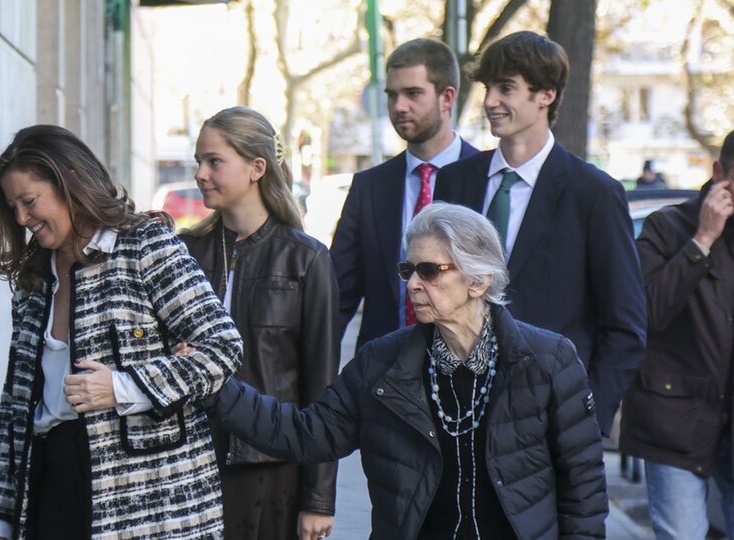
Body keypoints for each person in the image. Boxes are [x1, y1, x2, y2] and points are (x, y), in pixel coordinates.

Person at [207, 202, 608, 538]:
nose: (413, 284)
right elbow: (305, 434)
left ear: (479, 280)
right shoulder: (380, 364)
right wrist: (215, 386)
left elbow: (584, 489)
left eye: (430, 271)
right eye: (408, 270)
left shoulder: (548, 360)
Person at [0, 124, 243, 539]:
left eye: (29, 202)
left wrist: (121, 387)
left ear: (69, 183)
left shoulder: (144, 246)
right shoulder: (34, 280)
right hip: (48, 487)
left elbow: (222, 348)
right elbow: (16, 406)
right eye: (13, 208)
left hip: (149, 500)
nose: (23, 219)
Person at [433, 31, 647, 437]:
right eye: (488, 87)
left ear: (545, 95)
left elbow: (625, 325)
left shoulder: (594, 194)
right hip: (456, 414)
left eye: (506, 88)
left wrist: (586, 419)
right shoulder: (455, 183)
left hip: (550, 423)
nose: (491, 100)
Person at [179, 106, 340, 540]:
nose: (201, 173)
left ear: (256, 168)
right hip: (190, 461)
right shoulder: (183, 252)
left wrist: (318, 499)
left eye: (214, 161)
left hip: (273, 467)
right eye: (199, 161)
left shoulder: (306, 259)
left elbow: (322, 386)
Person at [619, 130, 734, 539]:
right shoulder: (668, 226)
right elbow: (644, 314)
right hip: (674, 419)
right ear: (720, 174)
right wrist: (702, 241)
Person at [330, 38, 478, 351]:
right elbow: (338, 296)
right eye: (392, 95)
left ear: (446, 97)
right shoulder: (368, 187)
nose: (399, 106)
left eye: (413, 94)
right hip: (382, 374)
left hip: (468, 373)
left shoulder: (486, 178)